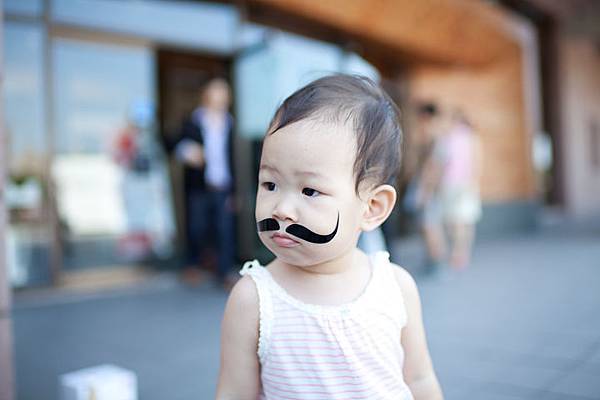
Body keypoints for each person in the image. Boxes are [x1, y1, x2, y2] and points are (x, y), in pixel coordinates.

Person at [216, 75, 443, 400]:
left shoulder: (395, 288)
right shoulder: (254, 300)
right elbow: (234, 392)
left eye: (310, 190)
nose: (282, 209)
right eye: (270, 184)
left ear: (372, 208)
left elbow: (419, 379)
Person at [174, 78, 236, 287]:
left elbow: (234, 158)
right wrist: (186, 151)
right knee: (197, 227)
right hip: (199, 186)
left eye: (224, 92)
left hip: (223, 185)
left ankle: (224, 272)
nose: (221, 97)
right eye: (216, 92)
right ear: (207, 95)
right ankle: (193, 265)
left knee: (224, 230)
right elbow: (174, 143)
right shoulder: (193, 120)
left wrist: (234, 191)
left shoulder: (230, 122)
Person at [419, 109, 482, 271]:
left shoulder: (449, 138)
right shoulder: (471, 138)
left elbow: (442, 163)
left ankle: (458, 252)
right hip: (463, 184)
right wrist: (474, 181)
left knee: (456, 220)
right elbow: (476, 161)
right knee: (464, 220)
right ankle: (461, 252)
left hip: (452, 184)